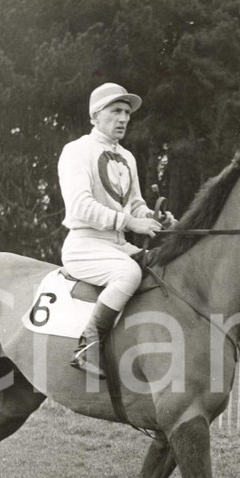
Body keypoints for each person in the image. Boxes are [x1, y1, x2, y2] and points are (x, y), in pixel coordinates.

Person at [58, 82, 176, 380]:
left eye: (126, 112)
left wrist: (155, 216)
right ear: (95, 115)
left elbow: (135, 205)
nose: (123, 118)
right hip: (85, 245)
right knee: (129, 274)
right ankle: (88, 345)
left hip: (118, 246)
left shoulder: (127, 157)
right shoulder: (76, 151)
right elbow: (80, 206)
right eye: (116, 111)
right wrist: (131, 223)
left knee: (164, 270)